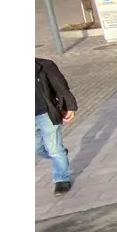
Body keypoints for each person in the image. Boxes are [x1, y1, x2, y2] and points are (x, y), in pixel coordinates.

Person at [36, 57, 78, 194]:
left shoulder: (44, 65)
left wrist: (70, 106)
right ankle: (60, 155)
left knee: (54, 148)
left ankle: (61, 179)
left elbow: (61, 87)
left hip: (46, 113)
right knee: (36, 149)